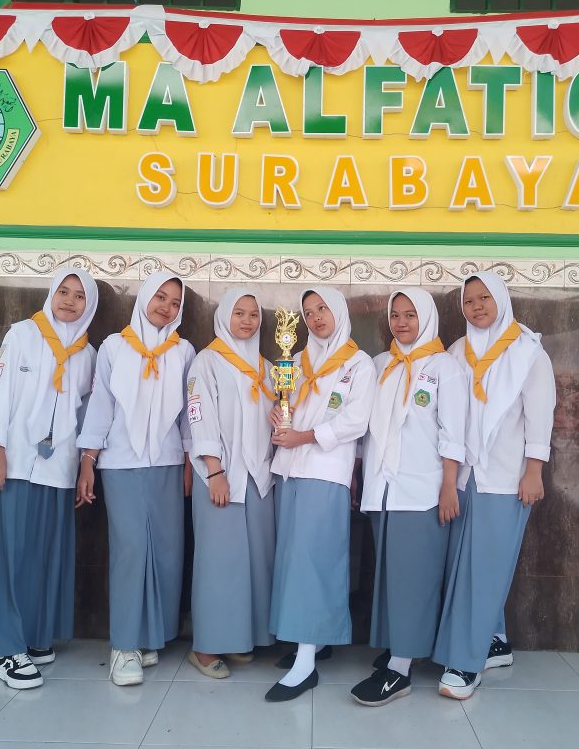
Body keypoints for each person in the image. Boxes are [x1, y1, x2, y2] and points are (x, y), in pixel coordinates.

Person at [0, 268, 98, 689]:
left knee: (42, 556)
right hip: (15, 463)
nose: (69, 301)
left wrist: (84, 465)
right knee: (10, 556)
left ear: (89, 305)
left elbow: (85, 415)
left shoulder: (86, 354)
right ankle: (7, 650)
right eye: (64, 291)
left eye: (79, 296)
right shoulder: (23, 334)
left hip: (57, 469)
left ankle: (34, 635)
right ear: (51, 293)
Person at [434, 271, 556, 700]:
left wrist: (534, 471)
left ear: (501, 299)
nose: (477, 307)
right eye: (469, 301)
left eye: (484, 298)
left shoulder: (528, 352)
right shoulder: (456, 352)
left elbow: (540, 415)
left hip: (506, 479)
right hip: (464, 477)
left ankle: (466, 664)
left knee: (485, 568)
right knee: (468, 565)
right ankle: (494, 642)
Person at [76, 272, 194, 687]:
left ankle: (148, 637)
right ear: (144, 298)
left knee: (165, 552)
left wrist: (189, 463)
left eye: (175, 302)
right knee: (131, 550)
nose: (167, 307)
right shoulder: (114, 347)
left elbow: (189, 414)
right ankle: (122, 645)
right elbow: (101, 405)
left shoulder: (183, 351)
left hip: (166, 462)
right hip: (121, 463)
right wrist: (88, 460)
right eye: (160, 297)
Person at [350, 288, 466, 706]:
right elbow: (366, 430)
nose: (401, 322)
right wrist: (359, 474)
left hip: (422, 491)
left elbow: (453, 433)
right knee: (391, 576)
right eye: (395, 315)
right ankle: (397, 649)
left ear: (427, 318)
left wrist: (449, 485)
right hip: (383, 490)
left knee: (414, 578)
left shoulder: (445, 367)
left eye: (410, 315)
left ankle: (400, 670)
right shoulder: (381, 364)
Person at [266, 287, 376, 702]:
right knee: (294, 559)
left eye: (323, 308)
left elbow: (355, 422)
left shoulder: (359, 364)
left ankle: (306, 662)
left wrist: (304, 436)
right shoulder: (295, 361)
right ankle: (310, 641)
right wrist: (277, 412)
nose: (315, 317)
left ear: (339, 312)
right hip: (289, 470)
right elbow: (286, 406)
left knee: (314, 561)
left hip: (326, 472)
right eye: (309, 311)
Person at [185, 290, 277, 678]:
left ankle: (240, 638)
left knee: (254, 562)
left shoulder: (267, 367)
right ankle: (206, 647)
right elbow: (199, 416)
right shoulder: (207, 361)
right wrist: (214, 471)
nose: (247, 321)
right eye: (239, 313)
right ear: (224, 316)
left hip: (258, 478)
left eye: (254, 315)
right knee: (218, 563)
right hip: (221, 478)